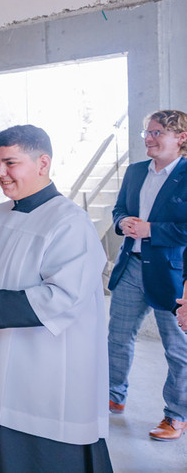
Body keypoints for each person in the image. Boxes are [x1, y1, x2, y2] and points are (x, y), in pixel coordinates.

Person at [0, 124, 112, 471]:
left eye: (10, 163)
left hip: (37, 370)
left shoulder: (69, 223)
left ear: (42, 163)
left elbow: (65, 296)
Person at [107, 109, 187, 441]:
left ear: (181, 138)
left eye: (157, 133)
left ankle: (176, 415)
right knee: (117, 338)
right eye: (147, 134)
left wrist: (151, 229)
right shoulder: (135, 171)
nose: (149, 140)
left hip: (172, 275)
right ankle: (114, 396)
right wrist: (122, 222)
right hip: (131, 268)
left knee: (177, 348)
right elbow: (119, 209)